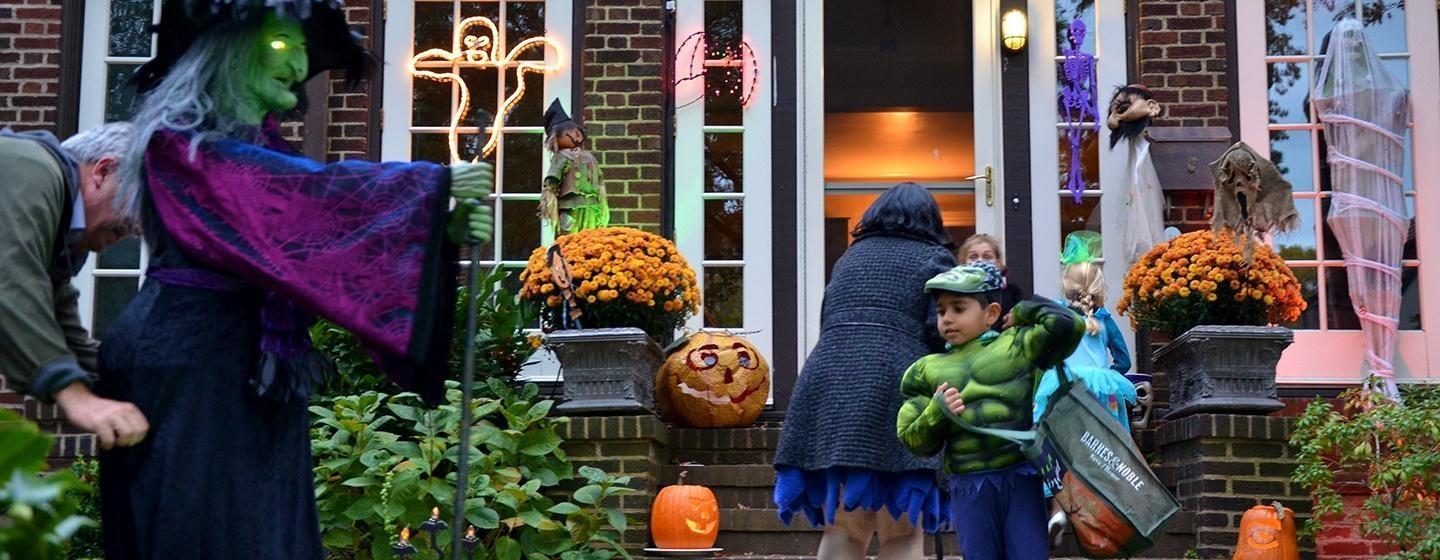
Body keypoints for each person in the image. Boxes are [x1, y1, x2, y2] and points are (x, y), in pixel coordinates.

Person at [96, 1, 494, 557]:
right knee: (203, 528)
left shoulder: (261, 153)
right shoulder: (179, 147)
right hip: (187, 364)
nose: (299, 61)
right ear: (229, 56)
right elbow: (297, 201)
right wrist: (430, 187)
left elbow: (316, 240)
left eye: (303, 48)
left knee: (261, 531)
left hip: (249, 365)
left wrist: (443, 226)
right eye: (283, 44)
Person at [774, 182, 956, 559]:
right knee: (901, 530)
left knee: (844, 527)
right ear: (930, 220)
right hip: (896, 383)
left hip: (830, 383)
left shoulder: (850, 257)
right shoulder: (936, 259)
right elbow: (939, 334)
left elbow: (828, 318)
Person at [897, 262, 1084, 559]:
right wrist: (937, 412)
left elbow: (1070, 324)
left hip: (1019, 474)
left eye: (959, 309)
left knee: (1029, 555)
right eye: (941, 311)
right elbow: (912, 439)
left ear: (992, 313)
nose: (947, 319)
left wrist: (1024, 310)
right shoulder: (925, 369)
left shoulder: (1018, 345)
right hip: (968, 482)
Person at [0, 123, 150, 450]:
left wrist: (147, 387)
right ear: (103, 171)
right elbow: (9, 280)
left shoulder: (58, 235)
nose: (138, 227)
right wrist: (75, 396)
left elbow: (64, 334)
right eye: (139, 209)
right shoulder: (30, 166)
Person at [1031, 231, 1137, 546]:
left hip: (1064, 388)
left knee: (1061, 450)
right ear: (1099, 288)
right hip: (1101, 393)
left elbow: (1045, 353)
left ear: (1067, 287)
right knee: (1103, 451)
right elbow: (1124, 360)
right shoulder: (1105, 319)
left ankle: (1059, 510)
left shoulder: (1059, 318)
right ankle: (1104, 519)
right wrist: (1108, 376)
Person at [539, 99, 607, 236]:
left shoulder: (589, 157)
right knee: (569, 238)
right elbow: (552, 180)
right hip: (570, 207)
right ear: (556, 138)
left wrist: (601, 201)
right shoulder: (561, 157)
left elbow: (599, 180)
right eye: (567, 133)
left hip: (592, 206)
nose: (575, 135)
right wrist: (550, 197)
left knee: (591, 237)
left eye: (576, 131)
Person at [958, 233, 1027, 329]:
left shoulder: (1012, 295)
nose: (980, 261)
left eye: (987, 257)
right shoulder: (956, 295)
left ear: (998, 262)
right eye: (973, 257)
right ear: (963, 262)